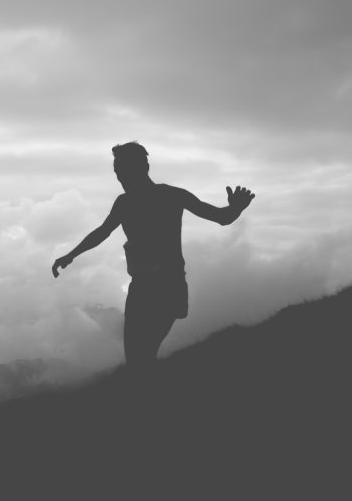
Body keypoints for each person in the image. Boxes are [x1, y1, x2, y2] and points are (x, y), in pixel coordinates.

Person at [52, 141, 255, 369]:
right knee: (138, 358)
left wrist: (235, 208)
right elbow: (102, 232)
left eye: (122, 171)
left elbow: (221, 217)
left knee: (141, 357)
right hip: (142, 288)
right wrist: (71, 254)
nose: (119, 178)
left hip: (167, 286)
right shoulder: (126, 202)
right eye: (117, 172)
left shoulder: (168, 196)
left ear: (142, 168)